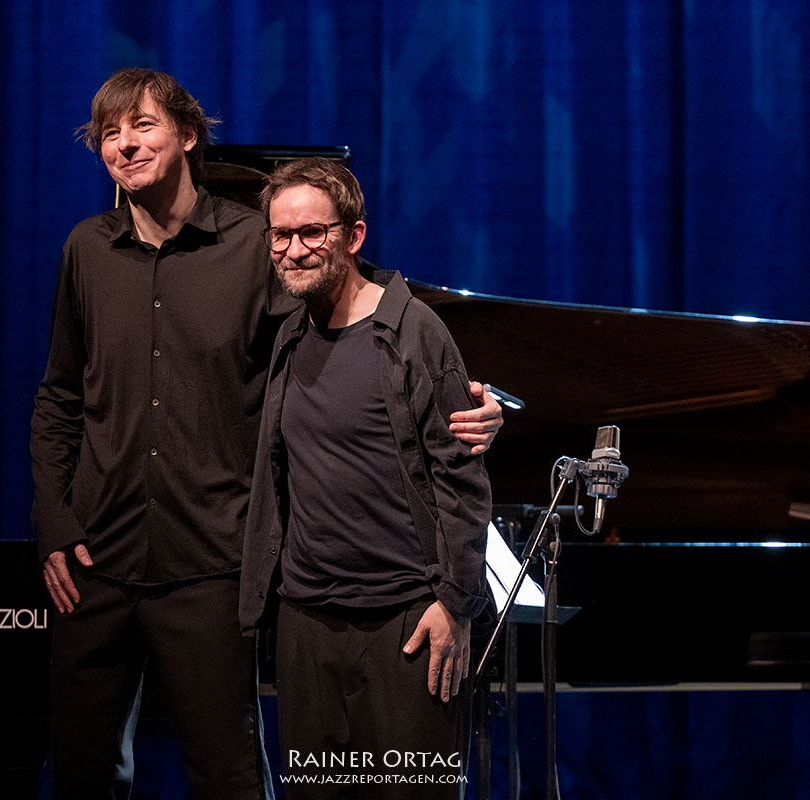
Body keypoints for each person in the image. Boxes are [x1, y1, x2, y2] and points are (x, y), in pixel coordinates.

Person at [30, 69, 503, 800]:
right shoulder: (85, 250)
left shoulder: (258, 242)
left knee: (235, 776)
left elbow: (344, 303)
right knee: (84, 774)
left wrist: (473, 398)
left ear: (188, 135)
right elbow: (60, 395)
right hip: (97, 559)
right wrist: (54, 521)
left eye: (143, 125)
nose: (124, 144)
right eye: (109, 133)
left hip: (215, 562)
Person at [239, 157, 491, 798]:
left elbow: (462, 480)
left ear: (353, 236)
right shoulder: (290, 335)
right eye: (280, 235)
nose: (293, 250)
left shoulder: (415, 334)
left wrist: (454, 606)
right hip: (307, 625)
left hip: (406, 625)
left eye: (311, 233)